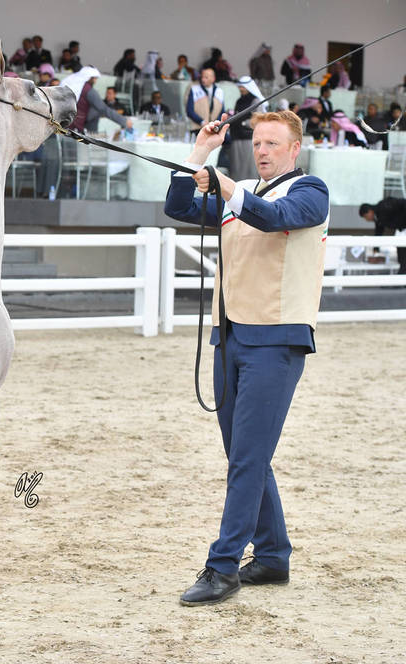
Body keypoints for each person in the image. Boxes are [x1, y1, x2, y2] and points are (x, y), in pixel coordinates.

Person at [164, 109, 330, 605]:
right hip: (231, 335)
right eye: (257, 142)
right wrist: (200, 153)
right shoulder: (243, 198)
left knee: (248, 458)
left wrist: (228, 187)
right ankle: (274, 555)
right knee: (245, 455)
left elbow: (276, 219)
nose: (262, 151)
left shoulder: (309, 191)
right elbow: (179, 207)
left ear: (294, 149)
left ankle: (223, 567)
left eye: (273, 144)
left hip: (276, 340)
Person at [63, 66, 130, 134]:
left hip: (61, 124)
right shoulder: (87, 89)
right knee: (96, 111)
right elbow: (103, 108)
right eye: (94, 78)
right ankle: (92, 136)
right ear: (89, 77)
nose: (95, 81)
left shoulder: (70, 81)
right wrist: (124, 121)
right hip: (74, 129)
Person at [228, 76, 267, 181]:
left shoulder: (255, 101)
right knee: (237, 169)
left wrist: (243, 123)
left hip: (249, 139)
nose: (241, 89)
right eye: (240, 86)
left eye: (243, 87)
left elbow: (259, 120)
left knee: (249, 170)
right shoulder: (239, 101)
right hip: (236, 138)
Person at [359, 199, 406, 273]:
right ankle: (402, 275)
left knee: (403, 256)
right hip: (401, 231)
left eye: (365, 217)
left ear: (369, 211)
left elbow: (402, 203)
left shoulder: (384, 206)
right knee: (401, 256)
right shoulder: (378, 219)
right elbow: (378, 232)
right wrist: (376, 249)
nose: (366, 220)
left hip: (403, 229)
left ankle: (402, 275)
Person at [186, 67, 224, 132]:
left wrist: (215, 123)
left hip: (214, 129)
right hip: (197, 128)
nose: (203, 79)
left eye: (206, 77)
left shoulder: (219, 91)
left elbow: (222, 111)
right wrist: (201, 122)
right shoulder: (194, 89)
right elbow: (189, 110)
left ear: (213, 79)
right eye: (202, 77)